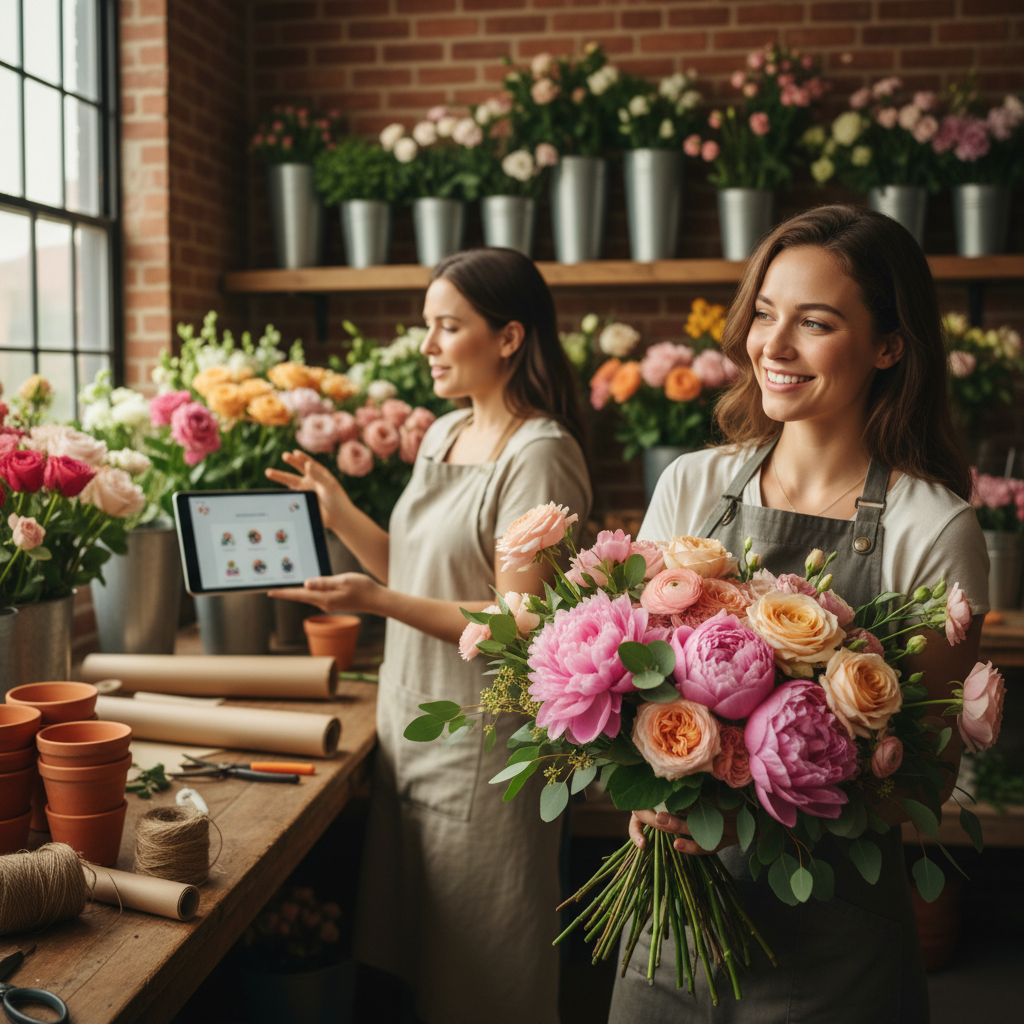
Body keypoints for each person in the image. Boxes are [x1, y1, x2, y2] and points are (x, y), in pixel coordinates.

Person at [607, 204, 989, 1024]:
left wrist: (742, 812)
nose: (773, 346)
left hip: (831, 944)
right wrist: (643, 777)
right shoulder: (690, 485)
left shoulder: (933, 527)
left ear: (889, 346)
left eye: (814, 323)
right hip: (669, 924)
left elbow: (924, 779)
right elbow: (629, 686)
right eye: (765, 314)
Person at [266, 247, 592, 1024]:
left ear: (508, 337)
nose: (428, 345)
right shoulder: (445, 432)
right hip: (412, 728)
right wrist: (339, 510)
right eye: (427, 325)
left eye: (448, 326)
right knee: (419, 959)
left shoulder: (539, 456)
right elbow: (414, 571)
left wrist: (379, 603)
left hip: (485, 745)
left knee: (484, 975)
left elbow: (520, 623)